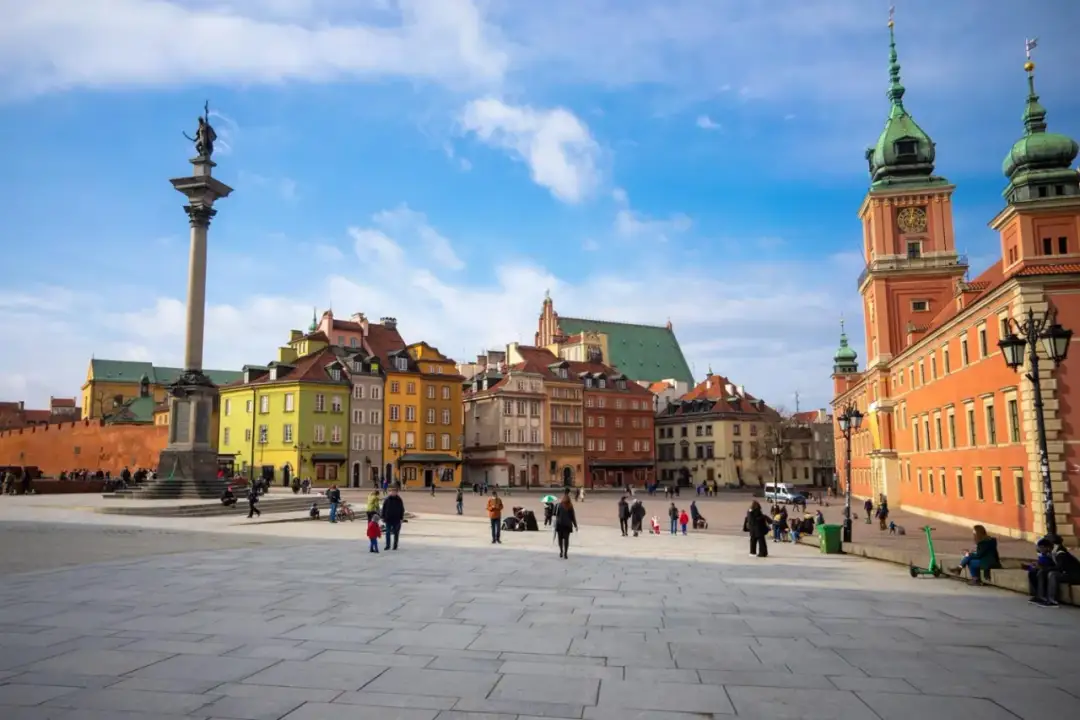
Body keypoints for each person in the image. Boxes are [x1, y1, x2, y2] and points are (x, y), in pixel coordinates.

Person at [554, 490, 578, 559]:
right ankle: (565, 553)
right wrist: (575, 525)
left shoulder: (559, 505)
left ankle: (561, 551)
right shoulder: (570, 506)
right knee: (566, 540)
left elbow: (555, 514)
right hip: (567, 525)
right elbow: (573, 517)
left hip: (559, 524)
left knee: (560, 539)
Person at [381, 484, 405, 551]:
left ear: (397, 492)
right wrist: (383, 517)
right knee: (388, 532)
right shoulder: (387, 499)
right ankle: (387, 545)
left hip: (396, 519)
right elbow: (384, 508)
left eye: (394, 492)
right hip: (388, 519)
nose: (393, 493)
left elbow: (402, 509)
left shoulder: (399, 500)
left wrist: (401, 518)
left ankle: (395, 545)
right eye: (391, 491)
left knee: (396, 533)